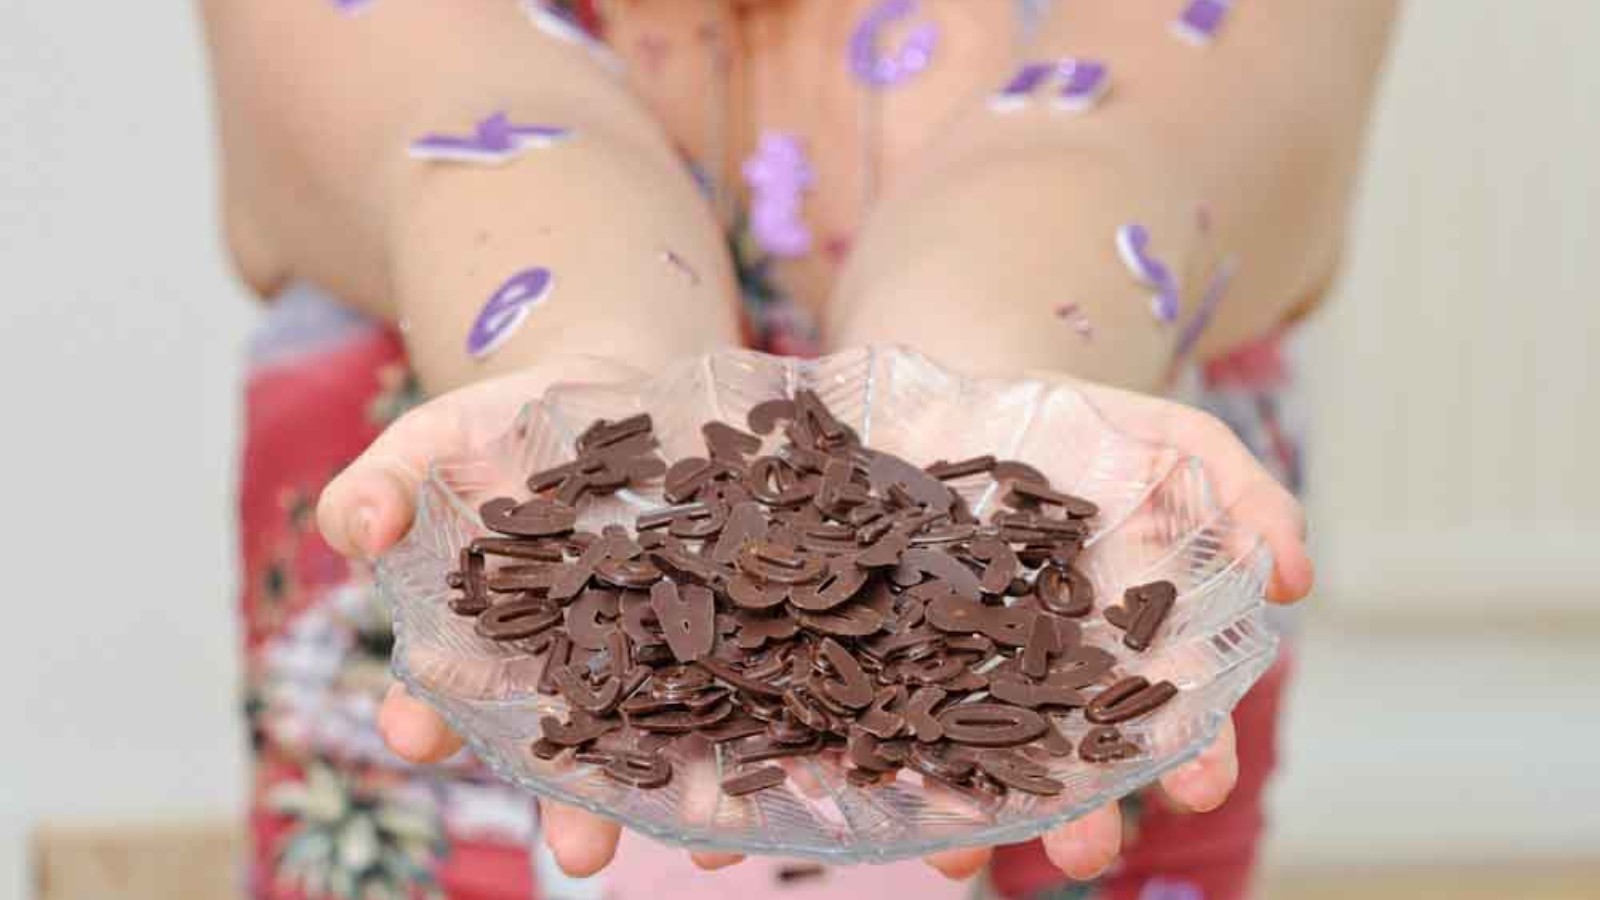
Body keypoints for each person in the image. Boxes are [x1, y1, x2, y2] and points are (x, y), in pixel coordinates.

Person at [201, 1, 1394, 897]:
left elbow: (1195, 104)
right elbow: (424, 91)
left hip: (1076, 588)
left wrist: (978, 383)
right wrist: (595, 385)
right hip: (497, 584)